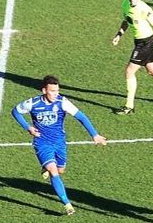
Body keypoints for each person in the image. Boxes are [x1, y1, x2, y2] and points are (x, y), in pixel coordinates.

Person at [12, 75, 107, 215]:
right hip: (42, 142)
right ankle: (67, 204)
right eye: (52, 91)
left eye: (57, 91)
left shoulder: (62, 102)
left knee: (60, 170)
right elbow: (15, 111)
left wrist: (95, 134)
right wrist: (28, 127)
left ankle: (46, 167)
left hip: (59, 142)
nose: (56, 94)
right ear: (44, 90)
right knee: (54, 171)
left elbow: (81, 117)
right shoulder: (32, 103)